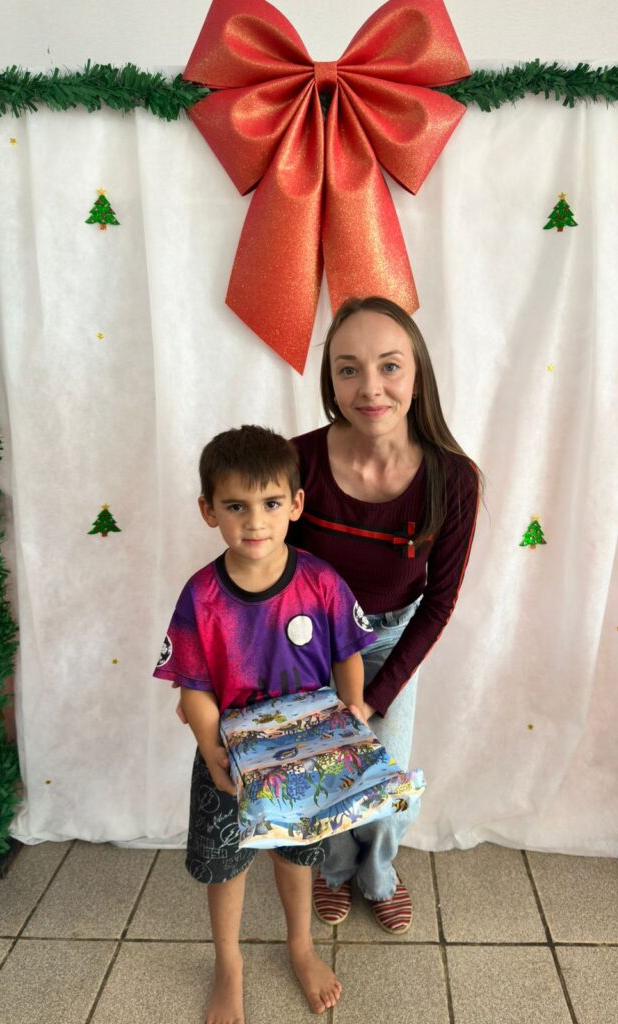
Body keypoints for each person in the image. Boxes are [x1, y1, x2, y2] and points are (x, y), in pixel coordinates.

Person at [154, 425, 376, 1024]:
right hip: (229, 757)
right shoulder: (201, 596)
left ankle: (300, 946)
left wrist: (353, 708)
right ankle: (228, 963)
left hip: (307, 755)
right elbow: (194, 686)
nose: (255, 522)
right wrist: (210, 746)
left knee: (297, 855)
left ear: (296, 504)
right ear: (208, 510)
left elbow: (347, 654)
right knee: (226, 864)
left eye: (271, 503)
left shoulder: (320, 581)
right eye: (236, 506)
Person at [287, 296, 479, 935]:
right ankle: (336, 869)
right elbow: (270, 570)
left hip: (391, 638)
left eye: (389, 366)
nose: (370, 387)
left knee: (382, 777)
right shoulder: (298, 461)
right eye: (348, 369)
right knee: (328, 768)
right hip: (312, 639)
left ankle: (379, 874)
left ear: (417, 375)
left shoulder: (453, 479)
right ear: (330, 381)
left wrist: (374, 697)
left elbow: (440, 602)